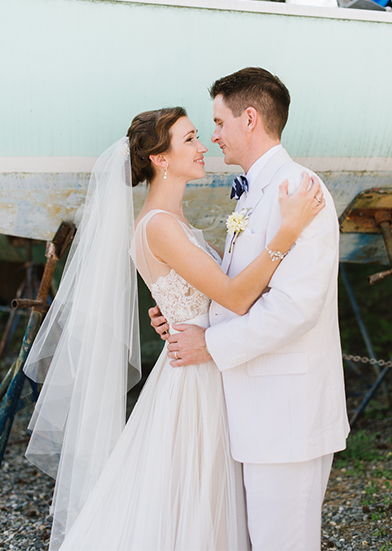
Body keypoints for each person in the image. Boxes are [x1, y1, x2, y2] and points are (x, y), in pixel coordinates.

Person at [24, 106, 324, 550]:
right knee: (193, 501)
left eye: (201, 135)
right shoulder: (159, 226)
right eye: (190, 139)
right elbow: (236, 296)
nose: (203, 146)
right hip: (194, 381)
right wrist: (287, 232)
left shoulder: (171, 222)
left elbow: (202, 297)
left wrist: (177, 315)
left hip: (204, 362)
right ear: (161, 159)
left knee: (204, 499)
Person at [156, 67, 350, 551]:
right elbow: (234, 292)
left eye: (218, 123)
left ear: (248, 118)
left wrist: (210, 343)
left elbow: (294, 307)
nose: (213, 136)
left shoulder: (300, 190)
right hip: (251, 410)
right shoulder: (255, 188)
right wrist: (186, 322)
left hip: (285, 414)